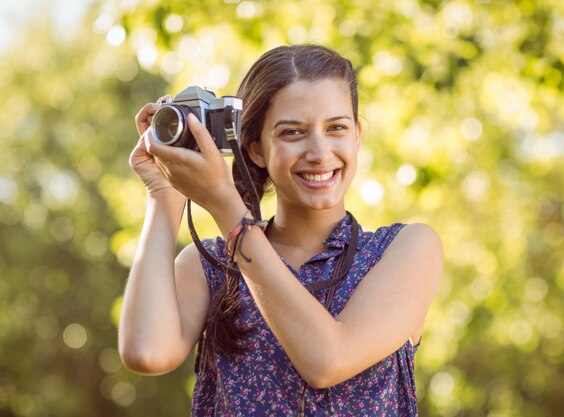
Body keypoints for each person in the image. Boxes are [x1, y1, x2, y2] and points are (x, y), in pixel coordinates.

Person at [119, 44, 443, 416]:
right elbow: (146, 353)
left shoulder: (407, 248)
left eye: (336, 128)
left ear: (357, 135)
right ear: (255, 149)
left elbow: (326, 361)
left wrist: (227, 208)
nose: (320, 152)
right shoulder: (212, 267)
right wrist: (164, 195)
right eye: (293, 133)